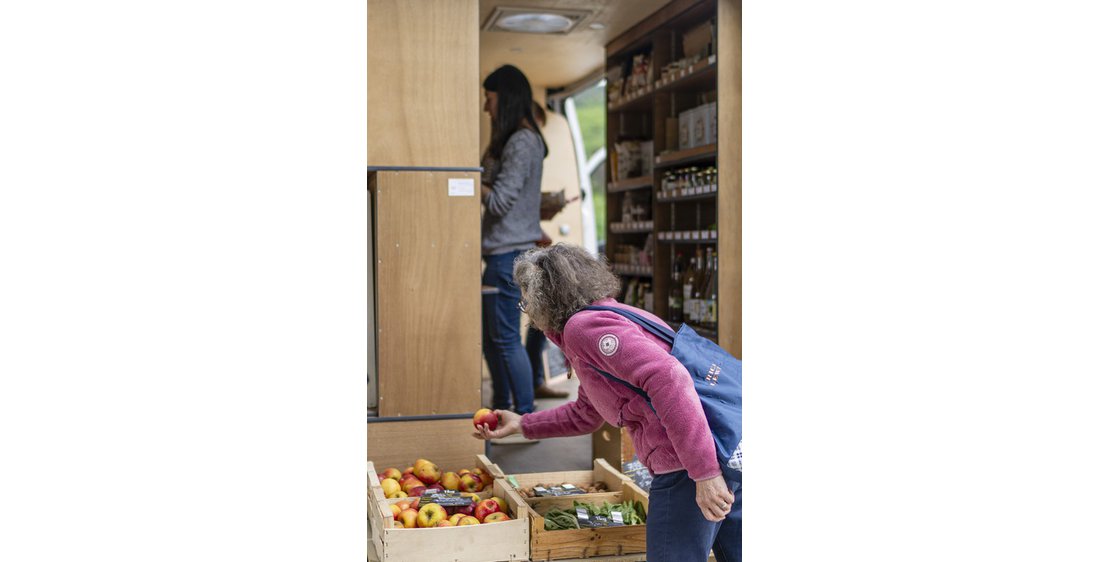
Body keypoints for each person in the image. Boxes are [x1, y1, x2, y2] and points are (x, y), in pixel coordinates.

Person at [474, 244, 740, 561]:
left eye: (526, 299)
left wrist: (704, 474)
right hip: (723, 445)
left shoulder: (582, 329)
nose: (526, 308)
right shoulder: (609, 315)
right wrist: (522, 423)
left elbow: (668, 377)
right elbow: (586, 413)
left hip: (687, 463)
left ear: (545, 298)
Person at [479, 65, 547, 419]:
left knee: (504, 339)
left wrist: (467, 179)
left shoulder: (522, 141)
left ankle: (523, 416)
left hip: (508, 255)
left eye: (489, 99)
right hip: (501, 253)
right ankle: (504, 409)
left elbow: (501, 201)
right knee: (494, 341)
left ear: (504, 98)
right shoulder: (514, 140)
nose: (485, 107)